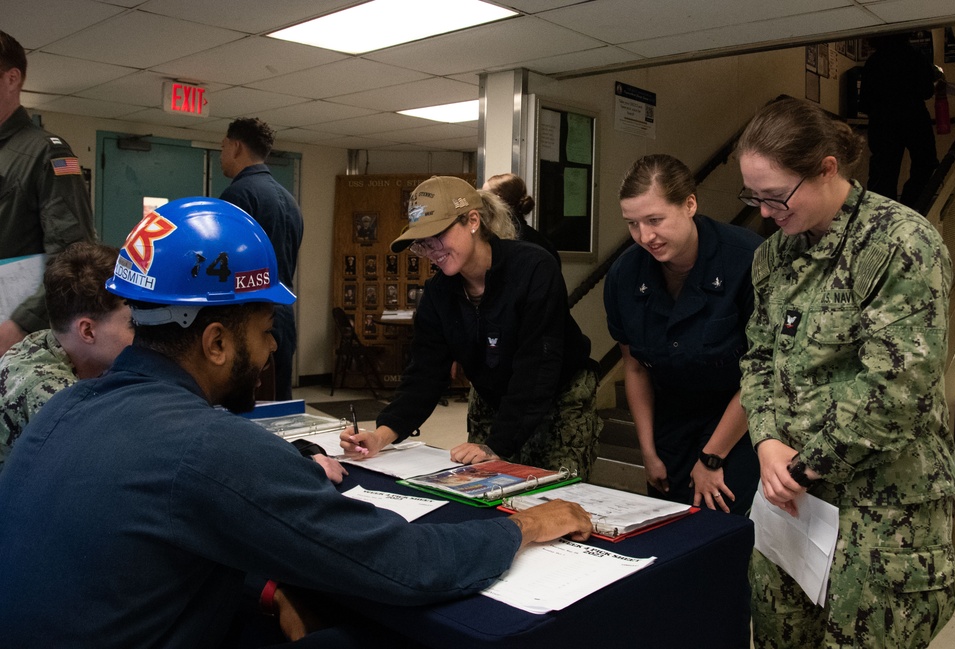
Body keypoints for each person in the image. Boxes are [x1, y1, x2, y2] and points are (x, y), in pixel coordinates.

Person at [0, 197, 592, 647]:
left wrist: (268, 586)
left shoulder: (66, 411)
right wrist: (525, 527)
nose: (273, 354)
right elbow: (408, 566)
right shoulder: (203, 445)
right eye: (264, 335)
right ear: (214, 342)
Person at [735, 96, 955, 648]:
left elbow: (896, 389)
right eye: (753, 197)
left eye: (774, 196)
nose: (763, 213)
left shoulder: (901, 245)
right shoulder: (773, 256)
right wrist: (765, 441)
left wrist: (802, 469)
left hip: (881, 516)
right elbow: (759, 358)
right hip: (789, 507)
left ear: (827, 169)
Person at [342, 176, 602, 479]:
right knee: (488, 489)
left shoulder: (533, 269)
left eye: (437, 235)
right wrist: (380, 436)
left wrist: (496, 446)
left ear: (473, 220)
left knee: (556, 497)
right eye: (423, 243)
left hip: (560, 394)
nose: (431, 250)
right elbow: (425, 375)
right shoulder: (438, 294)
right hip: (495, 394)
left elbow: (538, 368)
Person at [603, 154, 762, 515]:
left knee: (725, 529)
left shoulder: (747, 258)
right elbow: (635, 368)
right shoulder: (624, 276)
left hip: (740, 421)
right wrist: (647, 450)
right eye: (633, 224)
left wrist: (711, 458)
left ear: (690, 204)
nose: (645, 237)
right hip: (671, 424)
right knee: (667, 528)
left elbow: (761, 375)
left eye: (655, 220)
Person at [0, 30, 96, 356]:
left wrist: (22, 322)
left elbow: (74, 256)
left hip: (18, 342)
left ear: (12, 79)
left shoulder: (46, 154)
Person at [0, 241, 133, 467]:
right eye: (133, 323)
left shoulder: (52, 343)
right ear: (88, 331)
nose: (144, 333)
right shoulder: (49, 393)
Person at [220, 117, 303, 401]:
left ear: (236, 146)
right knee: (279, 403)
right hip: (282, 315)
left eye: (222, 147)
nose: (222, 156)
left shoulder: (238, 195)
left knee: (248, 404)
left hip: (249, 319)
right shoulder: (290, 200)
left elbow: (226, 264)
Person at [859, 32, 939, 209]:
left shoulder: (874, 62)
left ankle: (883, 212)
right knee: (925, 163)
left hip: (882, 119)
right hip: (914, 115)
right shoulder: (916, 56)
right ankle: (912, 204)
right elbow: (927, 90)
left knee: (883, 171)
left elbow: (864, 102)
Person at [483, 172, 560, 265]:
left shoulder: (501, 242)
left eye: (485, 198)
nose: (482, 204)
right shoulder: (541, 241)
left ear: (497, 201)